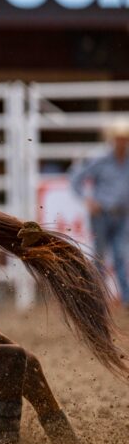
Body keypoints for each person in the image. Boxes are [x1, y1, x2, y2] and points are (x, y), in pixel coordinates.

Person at [69, 117, 129, 307]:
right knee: (100, 256)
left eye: (124, 138)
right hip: (102, 213)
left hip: (121, 214)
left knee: (120, 254)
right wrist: (88, 200)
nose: (122, 142)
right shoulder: (100, 159)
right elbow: (76, 178)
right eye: (120, 138)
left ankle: (125, 298)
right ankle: (98, 297)